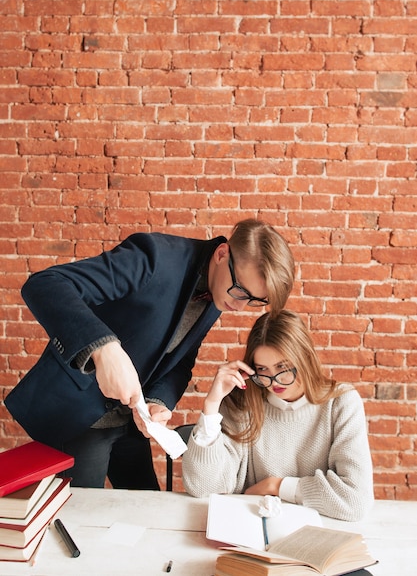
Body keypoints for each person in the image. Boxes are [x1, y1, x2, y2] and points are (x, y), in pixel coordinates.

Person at [5, 219, 294, 490]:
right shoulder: (154, 257)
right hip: (82, 418)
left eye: (255, 301)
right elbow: (45, 284)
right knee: (79, 519)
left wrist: (159, 401)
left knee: (145, 506)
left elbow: (181, 358)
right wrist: (104, 348)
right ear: (221, 254)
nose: (240, 306)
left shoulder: (221, 291)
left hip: (133, 421)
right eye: (241, 292)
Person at [181, 309, 374, 521]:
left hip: (318, 533)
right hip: (250, 526)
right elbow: (203, 487)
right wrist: (211, 405)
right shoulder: (242, 403)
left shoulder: (340, 403)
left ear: (305, 358)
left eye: (282, 367)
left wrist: (277, 486)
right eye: (262, 369)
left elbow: (356, 500)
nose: (273, 381)